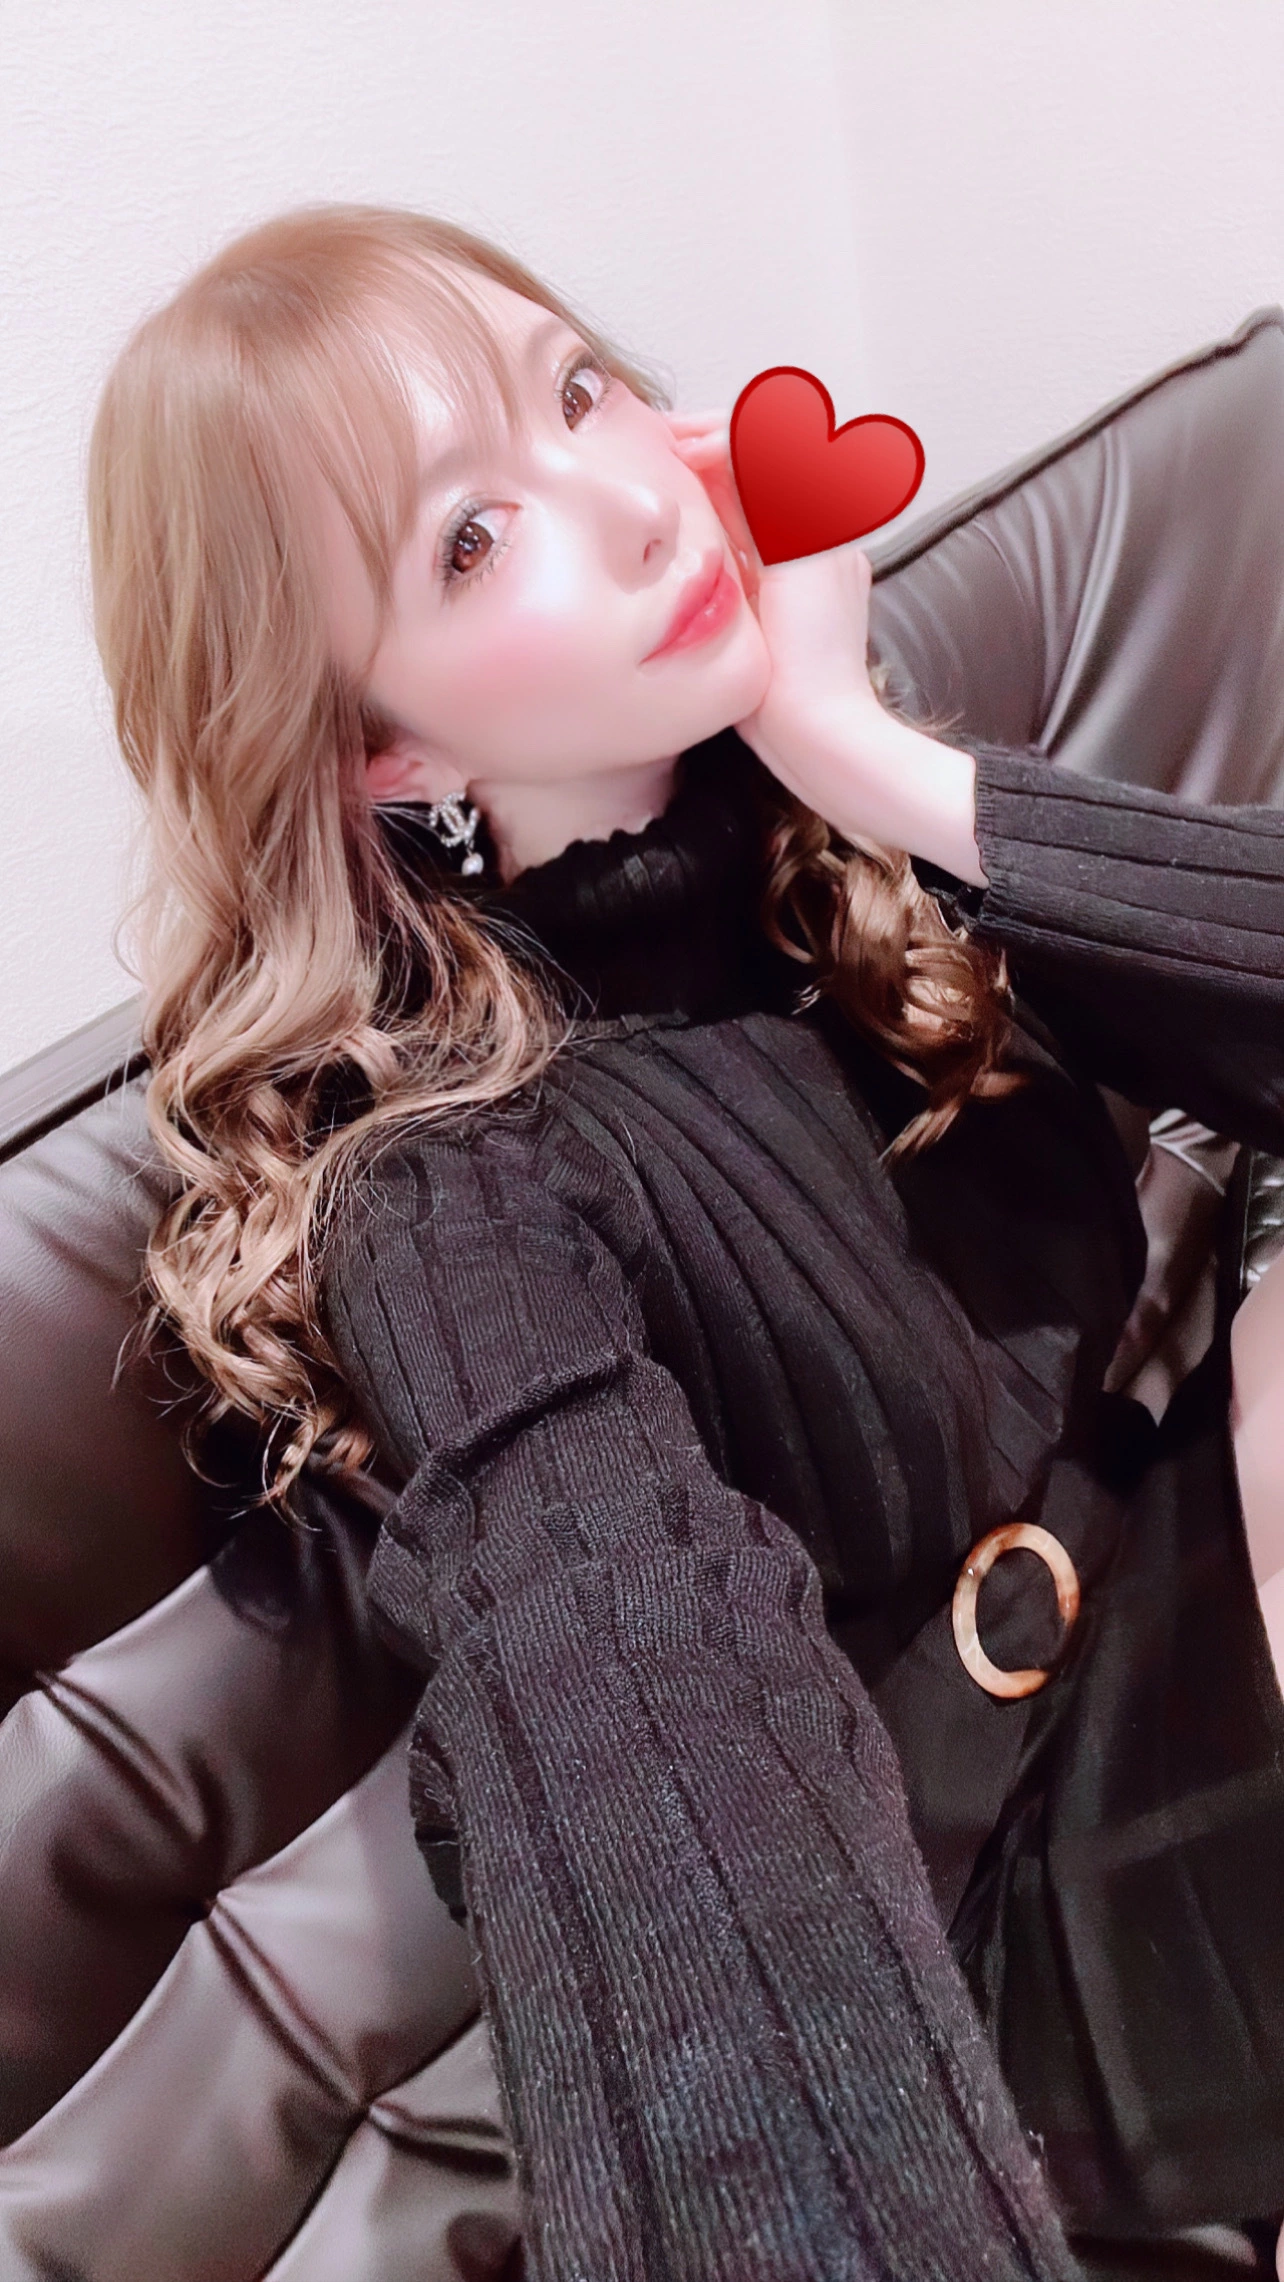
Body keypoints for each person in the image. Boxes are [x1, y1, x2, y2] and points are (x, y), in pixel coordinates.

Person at [86, 204, 1284, 2280]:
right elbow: (621, 1682)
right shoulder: (455, 1196)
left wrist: (867, 758)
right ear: (384, 749)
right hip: (985, 1925)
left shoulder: (831, 864)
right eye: (473, 538)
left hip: (1178, 1599)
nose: (635, 499)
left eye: (581, 391)